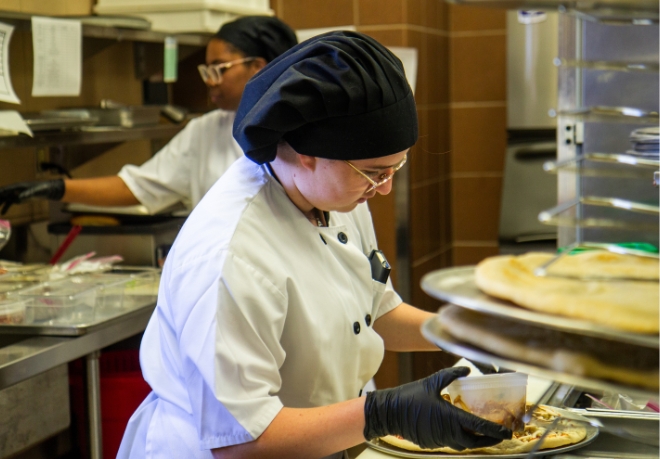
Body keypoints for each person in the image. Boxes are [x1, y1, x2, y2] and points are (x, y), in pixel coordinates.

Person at [117, 31, 512, 459]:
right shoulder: (231, 255)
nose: (384, 188)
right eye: (375, 172)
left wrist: (466, 333)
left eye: (397, 167)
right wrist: (384, 413)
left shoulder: (334, 193)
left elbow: (375, 311)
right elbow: (242, 443)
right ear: (307, 152)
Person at [0, 16, 298, 216]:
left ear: (258, 67)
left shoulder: (301, 128)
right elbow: (138, 185)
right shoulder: (205, 131)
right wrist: (52, 188)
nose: (210, 81)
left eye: (219, 69)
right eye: (206, 70)